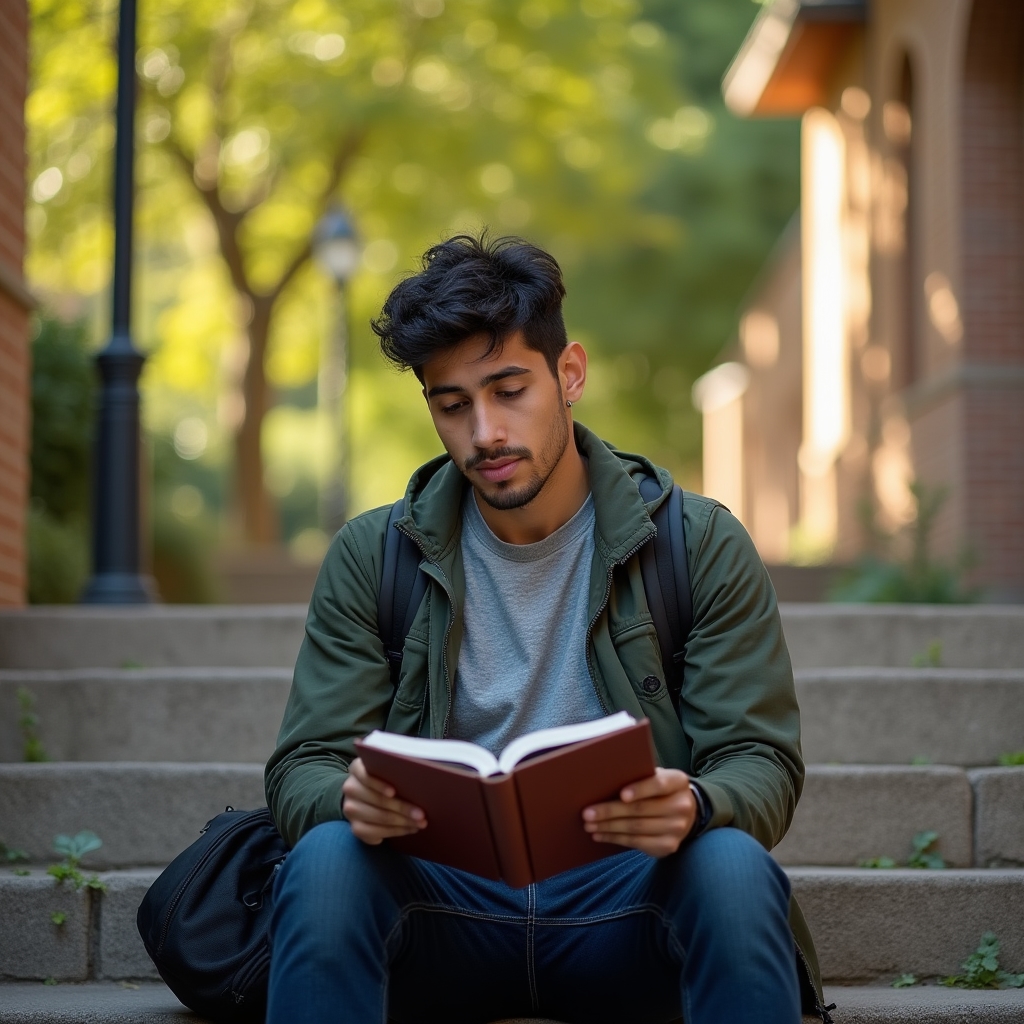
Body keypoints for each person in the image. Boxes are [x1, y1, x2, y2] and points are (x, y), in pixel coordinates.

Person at [264, 234, 827, 1024]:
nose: (484, 432)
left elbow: (761, 759)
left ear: (570, 375)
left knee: (731, 865)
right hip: (437, 912)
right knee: (324, 859)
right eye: (452, 405)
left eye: (508, 390)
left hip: (630, 906)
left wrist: (697, 804)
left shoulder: (696, 543)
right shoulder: (372, 554)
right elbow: (302, 767)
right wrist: (347, 798)